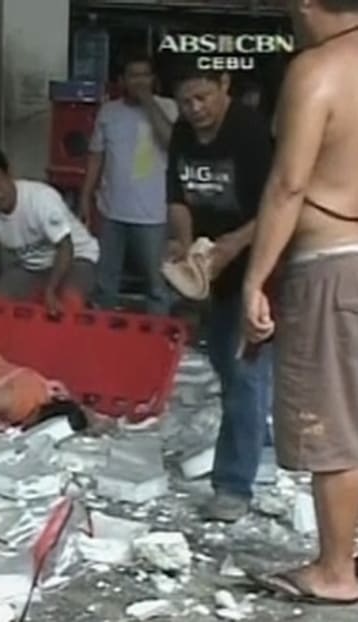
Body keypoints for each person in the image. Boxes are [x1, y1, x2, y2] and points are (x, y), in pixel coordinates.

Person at [243, 0, 358, 605]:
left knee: (334, 424)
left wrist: (255, 277)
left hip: (333, 264)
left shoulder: (316, 70)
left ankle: (337, 570)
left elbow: (288, 184)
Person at [167, 60, 274, 522]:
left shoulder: (251, 133)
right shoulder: (182, 133)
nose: (195, 109)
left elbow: (277, 204)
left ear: (224, 84)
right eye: (185, 101)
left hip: (258, 266)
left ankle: (233, 485)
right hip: (210, 269)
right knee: (226, 366)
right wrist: (184, 244)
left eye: (203, 97)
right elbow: (177, 199)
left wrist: (233, 246)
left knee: (245, 372)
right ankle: (258, 435)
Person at [82, 52, 177, 315]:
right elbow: (96, 157)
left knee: (157, 285)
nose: (140, 81)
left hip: (154, 214)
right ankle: (103, 332)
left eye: (145, 75)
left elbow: (172, 144)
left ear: (153, 79)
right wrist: (85, 198)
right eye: (134, 76)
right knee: (105, 283)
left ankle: (157, 334)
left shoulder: (169, 108)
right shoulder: (108, 112)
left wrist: (149, 103)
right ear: (121, 80)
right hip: (111, 211)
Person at [0, 148, 99, 315]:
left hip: (76, 258)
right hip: (30, 267)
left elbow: (66, 247)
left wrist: (50, 290)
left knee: (69, 303)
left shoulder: (41, 199)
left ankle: (89, 304)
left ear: (9, 175)